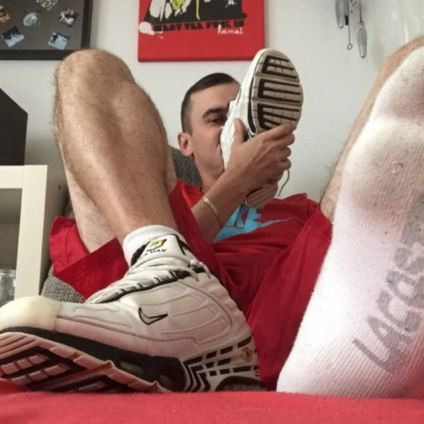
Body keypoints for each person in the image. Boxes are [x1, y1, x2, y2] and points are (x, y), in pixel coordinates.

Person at [0, 37, 423, 397]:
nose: (235, 128)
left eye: (241, 115)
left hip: (293, 313)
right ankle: (166, 271)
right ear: (184, 143)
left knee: (409, 64)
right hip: (155, 311)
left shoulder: (299, 210)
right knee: (86, 69)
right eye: (219, 119)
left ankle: (335, 355)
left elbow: (331, 251)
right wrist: (237, 180)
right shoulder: (150, 198)